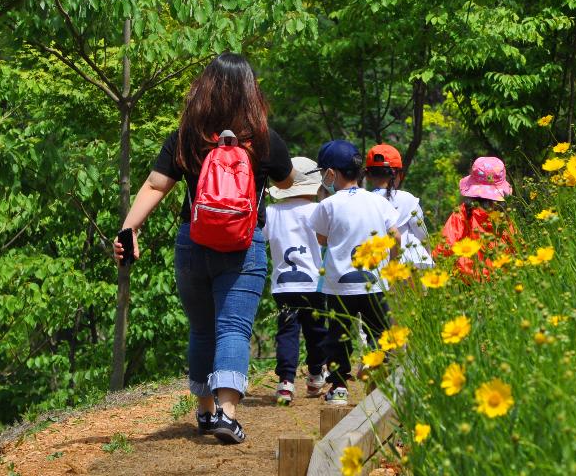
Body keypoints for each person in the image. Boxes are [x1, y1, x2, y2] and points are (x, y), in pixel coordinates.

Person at [114, 53, 295, 444]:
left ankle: (205, 411)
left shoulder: (188, 135)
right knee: (233, 327)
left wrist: (128, 230)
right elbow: (286, 181)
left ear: (205, 88)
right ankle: (228, 415)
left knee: (202, 328)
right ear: (250, 91)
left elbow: (156, 186)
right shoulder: (263, 137)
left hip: (193, 243)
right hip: (244, 245)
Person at [306, 140, 400, 405]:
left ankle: (338, 386)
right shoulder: (377, 201)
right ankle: (384, 381)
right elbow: (396, 235)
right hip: (375, 283)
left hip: (339, 285)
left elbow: (322, 239)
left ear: (331, 174)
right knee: (380, 333)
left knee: (337, 336)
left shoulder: (329, 205)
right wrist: (391, 266)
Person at [264, 156, 330, 405]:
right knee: (316, 332)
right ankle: (315, 376)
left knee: (287, 332)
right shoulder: (319, 209)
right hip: (314, 283)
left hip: (283, 284)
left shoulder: (271, 212)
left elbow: (261, 237)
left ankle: (285, 383)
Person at [433, 156, 515, 278]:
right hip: (501, 276)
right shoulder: (504, 214)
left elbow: (446, 243)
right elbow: (514, 243)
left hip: (469, 278)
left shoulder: (464, 212)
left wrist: (434, 258)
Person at [364, 144, 432, 269]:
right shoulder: (408, 200)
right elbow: (422, 234)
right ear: (399, 175)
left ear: (368, 176)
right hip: (410, 265)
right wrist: (429, 255)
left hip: (377, 266)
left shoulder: (364, 201)